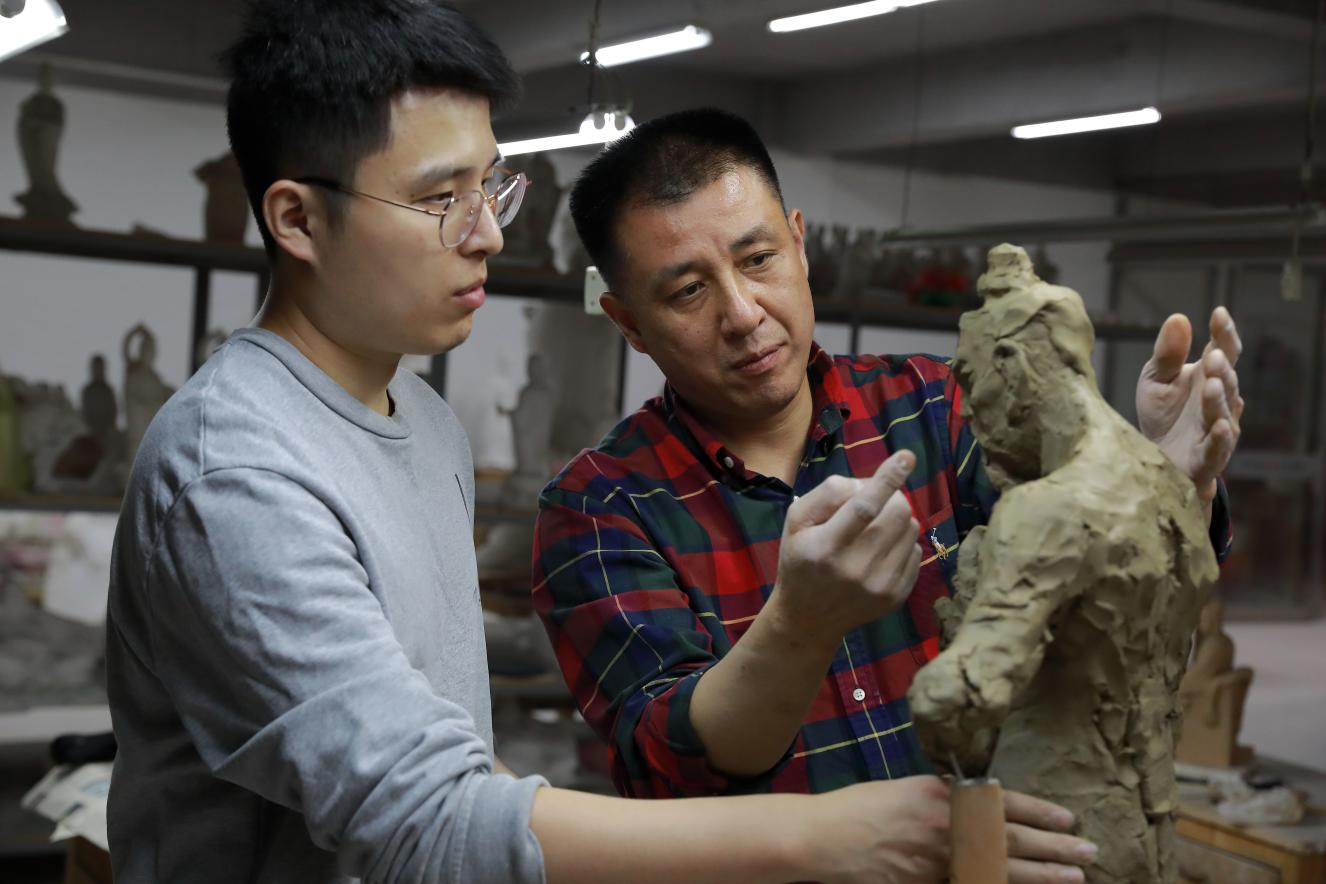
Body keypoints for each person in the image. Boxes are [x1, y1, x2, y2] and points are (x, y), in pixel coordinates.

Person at [104, 4, 992, 883]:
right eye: (440, 200)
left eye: (489, 187)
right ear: (298, 220)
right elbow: (424, 821)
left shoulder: (424, 420)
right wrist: (817, 837)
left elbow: (453, 762)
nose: (488, 233)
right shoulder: (238, 473)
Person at [533, 108, 1242, 883]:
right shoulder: (598, 509)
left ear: (800, 245)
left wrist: (1167, 486)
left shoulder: (938, 406)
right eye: (689, 291)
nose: (742, 313)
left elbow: (1101, 595)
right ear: (630, 323)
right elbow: (678, 763)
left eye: (759, 259)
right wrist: (800, 623)